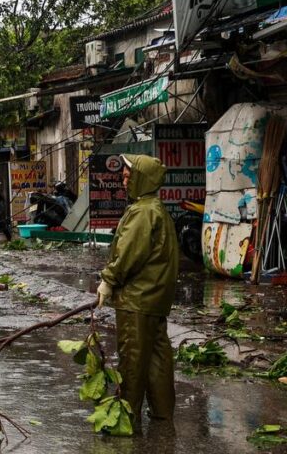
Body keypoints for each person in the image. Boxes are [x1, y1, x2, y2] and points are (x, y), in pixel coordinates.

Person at [96, 154, 179, 424]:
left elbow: (129, 253)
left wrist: (108, 280)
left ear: (143, 179)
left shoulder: (143, 211)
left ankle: (124, 420)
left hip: (137, 299)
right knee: (158, 358)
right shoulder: (157, 209)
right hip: (155, 298)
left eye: (129, 175)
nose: (124, 179)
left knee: (131, 362)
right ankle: (163, 414)